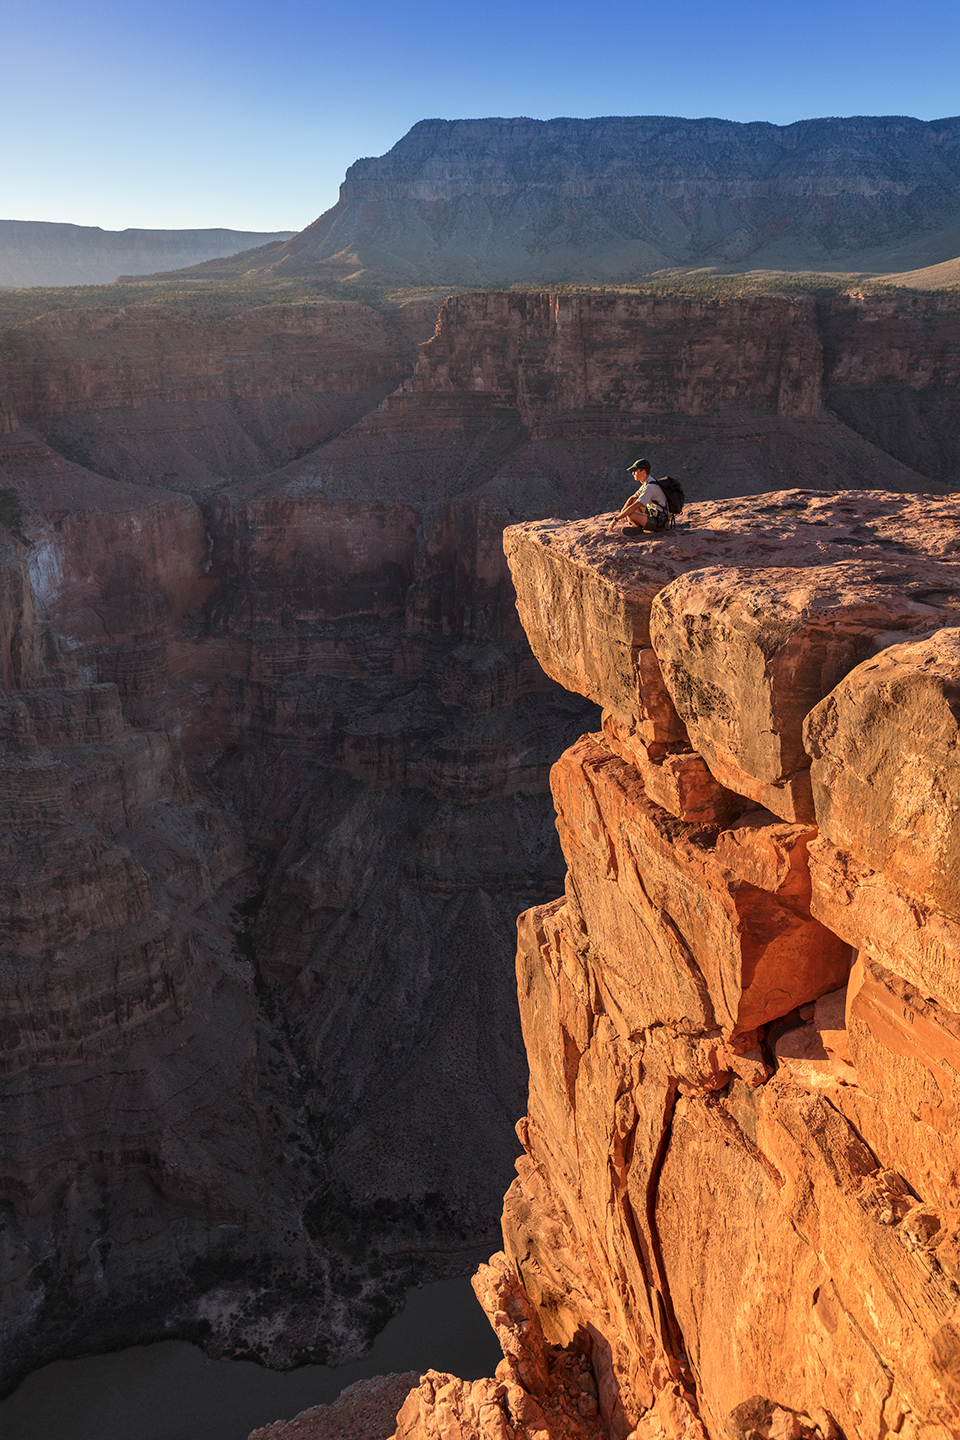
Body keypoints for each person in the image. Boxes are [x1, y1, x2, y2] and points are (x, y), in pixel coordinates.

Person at [606, 460, 670, 536]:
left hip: (660, 523)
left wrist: (616, 519)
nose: (633, 473)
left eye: (635, 471)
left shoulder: (650, 487)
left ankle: (639, 527)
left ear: (643, 472)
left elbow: (636, 505)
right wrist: (622, 513)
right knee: (632, 502)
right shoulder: (647, 484)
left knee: (630, 514)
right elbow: (632, 498)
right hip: (654, 515)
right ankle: (639, 527)